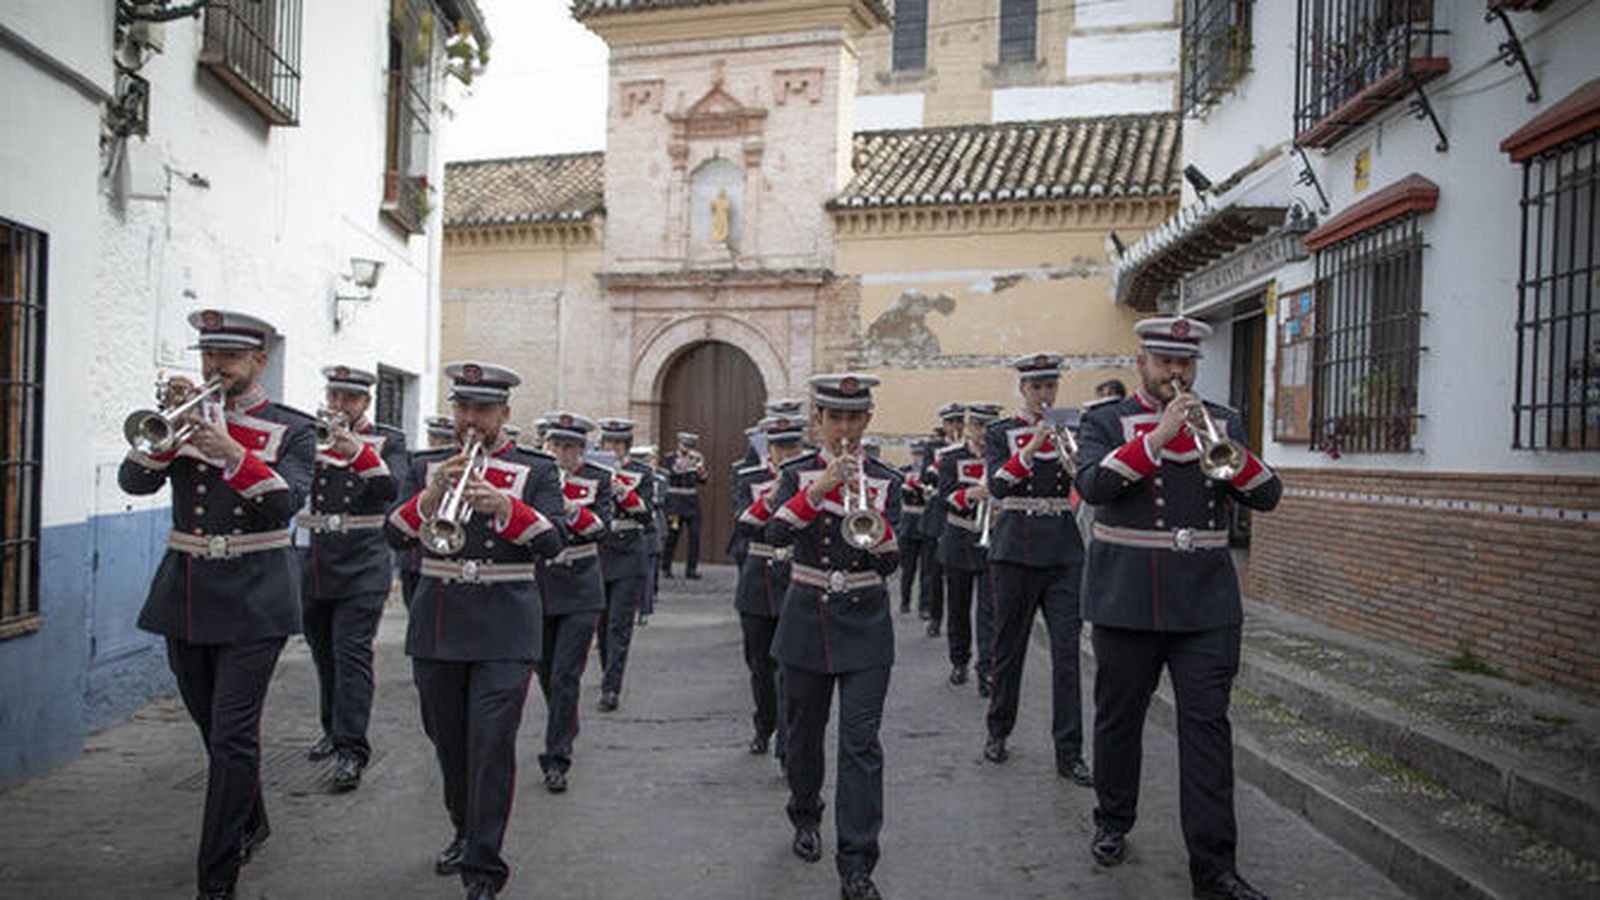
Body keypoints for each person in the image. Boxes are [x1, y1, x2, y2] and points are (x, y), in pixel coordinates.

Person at [1076, 317, 1281, 900]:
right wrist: (1158, 438)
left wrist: (1231, 453)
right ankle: (1113, 821)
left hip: (1207, 605)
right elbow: (1093, 486)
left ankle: (1215, 869)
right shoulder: (1104, 420)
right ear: (1142, 359)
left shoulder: (1225, 420)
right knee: (1119, 721)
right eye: (1165, 361)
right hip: (1127, 600)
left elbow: (1267, 495)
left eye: (1185, 362)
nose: (1176, 373)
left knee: (1208, 730)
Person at [120, 309, 315, 900]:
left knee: (233, 735)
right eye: (209, 355)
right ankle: (251, 817)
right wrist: (173, 433)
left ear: (258, 361)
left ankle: (217, 875)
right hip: (185, 592)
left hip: (256, 595)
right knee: (212, 727)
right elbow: (135, 484)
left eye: (229, 357)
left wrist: (230, 452)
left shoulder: (292, 428)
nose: (215, 367)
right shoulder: (183, 420)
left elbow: (285, 504)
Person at [386, 362, 565, 900]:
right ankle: (464, 828)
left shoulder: (537, 471)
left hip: (507, 626)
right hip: (439, 622)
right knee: (448, 740)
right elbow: (394, 536)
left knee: (490, 744)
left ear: (505, 415)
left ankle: (484, 866)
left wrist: (506, 507)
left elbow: (553, 542)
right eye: (463, 408)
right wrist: (430, 498)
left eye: (482, 410)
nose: (470, 419)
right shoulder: (426, 466)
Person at [767, 373, 901, 900]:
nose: (843, 429)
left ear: (866, 420)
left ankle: (857, 862)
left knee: (861, 744)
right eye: (834, 419)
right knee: (802, 735)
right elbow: (774, 533)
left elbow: (892, 560)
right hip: (805, 619)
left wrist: (865, 514)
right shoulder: (798, 473)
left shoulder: (886, 478)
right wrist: (819, 491)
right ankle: (805, 811)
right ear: (818, 421)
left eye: (853, 418)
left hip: (866, 622)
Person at [983, 352, 1092, 787]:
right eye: (1037, 388)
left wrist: (1067, 446)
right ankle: (997, 730)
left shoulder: (1076, 430)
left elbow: (1086, 481)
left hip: (1064, 548)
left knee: (1068, 654)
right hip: (1015, 548)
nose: (1045, 395)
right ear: (1023, 390)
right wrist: (1032, 444)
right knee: (1009, 647)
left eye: (1050, 387)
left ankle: (1070, 751)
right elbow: (998, 485)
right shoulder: (1001, 433)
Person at [297, 365, 407, 793]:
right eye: (334, 396)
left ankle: (352, 750)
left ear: (366, 401)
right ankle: (331, 728)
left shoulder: (388, 441)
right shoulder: (312, 433)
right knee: (323, 653)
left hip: (364, 560)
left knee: (352, 655)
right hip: (317, 558)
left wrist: (355, 449)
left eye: (349, 398)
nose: (340, 405)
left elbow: (392, 489)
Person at [535, 411, 613, 792]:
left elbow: (602, 528)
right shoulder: (537, 476)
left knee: (566, 673)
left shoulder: (599, 479)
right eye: (556, 445)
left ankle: (556, 757)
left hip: (582, 585)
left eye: (569, 446)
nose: (562, 453)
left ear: (582, 449)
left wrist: (569, 507)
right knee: (546, 671)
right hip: (540, 583)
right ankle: (565, 722)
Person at [730, 413, 807, 759]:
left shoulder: (812, 479)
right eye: (779, 447)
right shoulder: (750, 477)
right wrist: (774, 494)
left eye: (792, 446)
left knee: (791, 666)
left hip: (796, 575)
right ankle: (764, 724)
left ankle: (789, 738)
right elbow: (744, 524)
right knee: (760, 666)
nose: (786, 453)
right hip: (758, 578)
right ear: (768, 449)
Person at [937, 401, 1002, 692]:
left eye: (990, 427)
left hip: (992, 540)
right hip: (960, 538)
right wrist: (974, 493)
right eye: (979, 426)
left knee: (990, 610)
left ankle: (987, 669)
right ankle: (959, 660)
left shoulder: (1002, 456)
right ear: (970, 427)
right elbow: (946, 496)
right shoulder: (952, 457)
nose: (984, 433)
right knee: (959, 606)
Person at [595, 417, 655, 712]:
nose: (613, 448)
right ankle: (608, 670)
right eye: (608, 443)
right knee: (602, 624)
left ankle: (611, 687)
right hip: (601, 549)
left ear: (627, 445)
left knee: (619, 624)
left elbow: (646, 515)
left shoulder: (641, 473)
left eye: (618, 444)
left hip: (629, 551)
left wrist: (622, 491)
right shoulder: (595, 472)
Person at [400, 415, 459, 610]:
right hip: (415, 556)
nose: (438, 444)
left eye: (445, 440)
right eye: (434, 438)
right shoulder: (419, 465)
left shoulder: (463, 469)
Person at [918, 403, 967, 636]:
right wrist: (941, 462)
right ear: (945, 425)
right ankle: (934, 615)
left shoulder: (970, 447)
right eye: (951, 422)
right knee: (935, 570)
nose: (955, 426)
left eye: (959, 421)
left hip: (961, 515)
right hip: (938, 513)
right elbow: (925, 482)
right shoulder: (933, 447)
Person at [660, 431, 708, 579]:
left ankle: (691, 569)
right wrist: (681, 466)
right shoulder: (670, 458)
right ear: (679, 444)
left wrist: (701, 472)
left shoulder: (697, 458)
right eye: (684, 445)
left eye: (690, 446)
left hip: (691, 501)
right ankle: (666, 567)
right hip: (675, 502)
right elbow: (670, 475)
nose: (687, 448)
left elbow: (703, 481)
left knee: (695, 536)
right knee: (673, 534)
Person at [895, 438, 931, 615]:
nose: (919, 458)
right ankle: (904, 601)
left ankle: (924, 606)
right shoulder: (903, 472)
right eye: (916, 454)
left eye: (922, 454)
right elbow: (900, 493)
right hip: (908, 524)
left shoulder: (931, 475)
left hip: (925, 524)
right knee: (907, 568)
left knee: (927, 570)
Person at [629, 444, 664, 626]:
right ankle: (642, 610)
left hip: (647, 529)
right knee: (645, 573)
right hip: (644, 530)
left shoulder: (652, 478)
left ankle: (643, 608)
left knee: (647, 573)